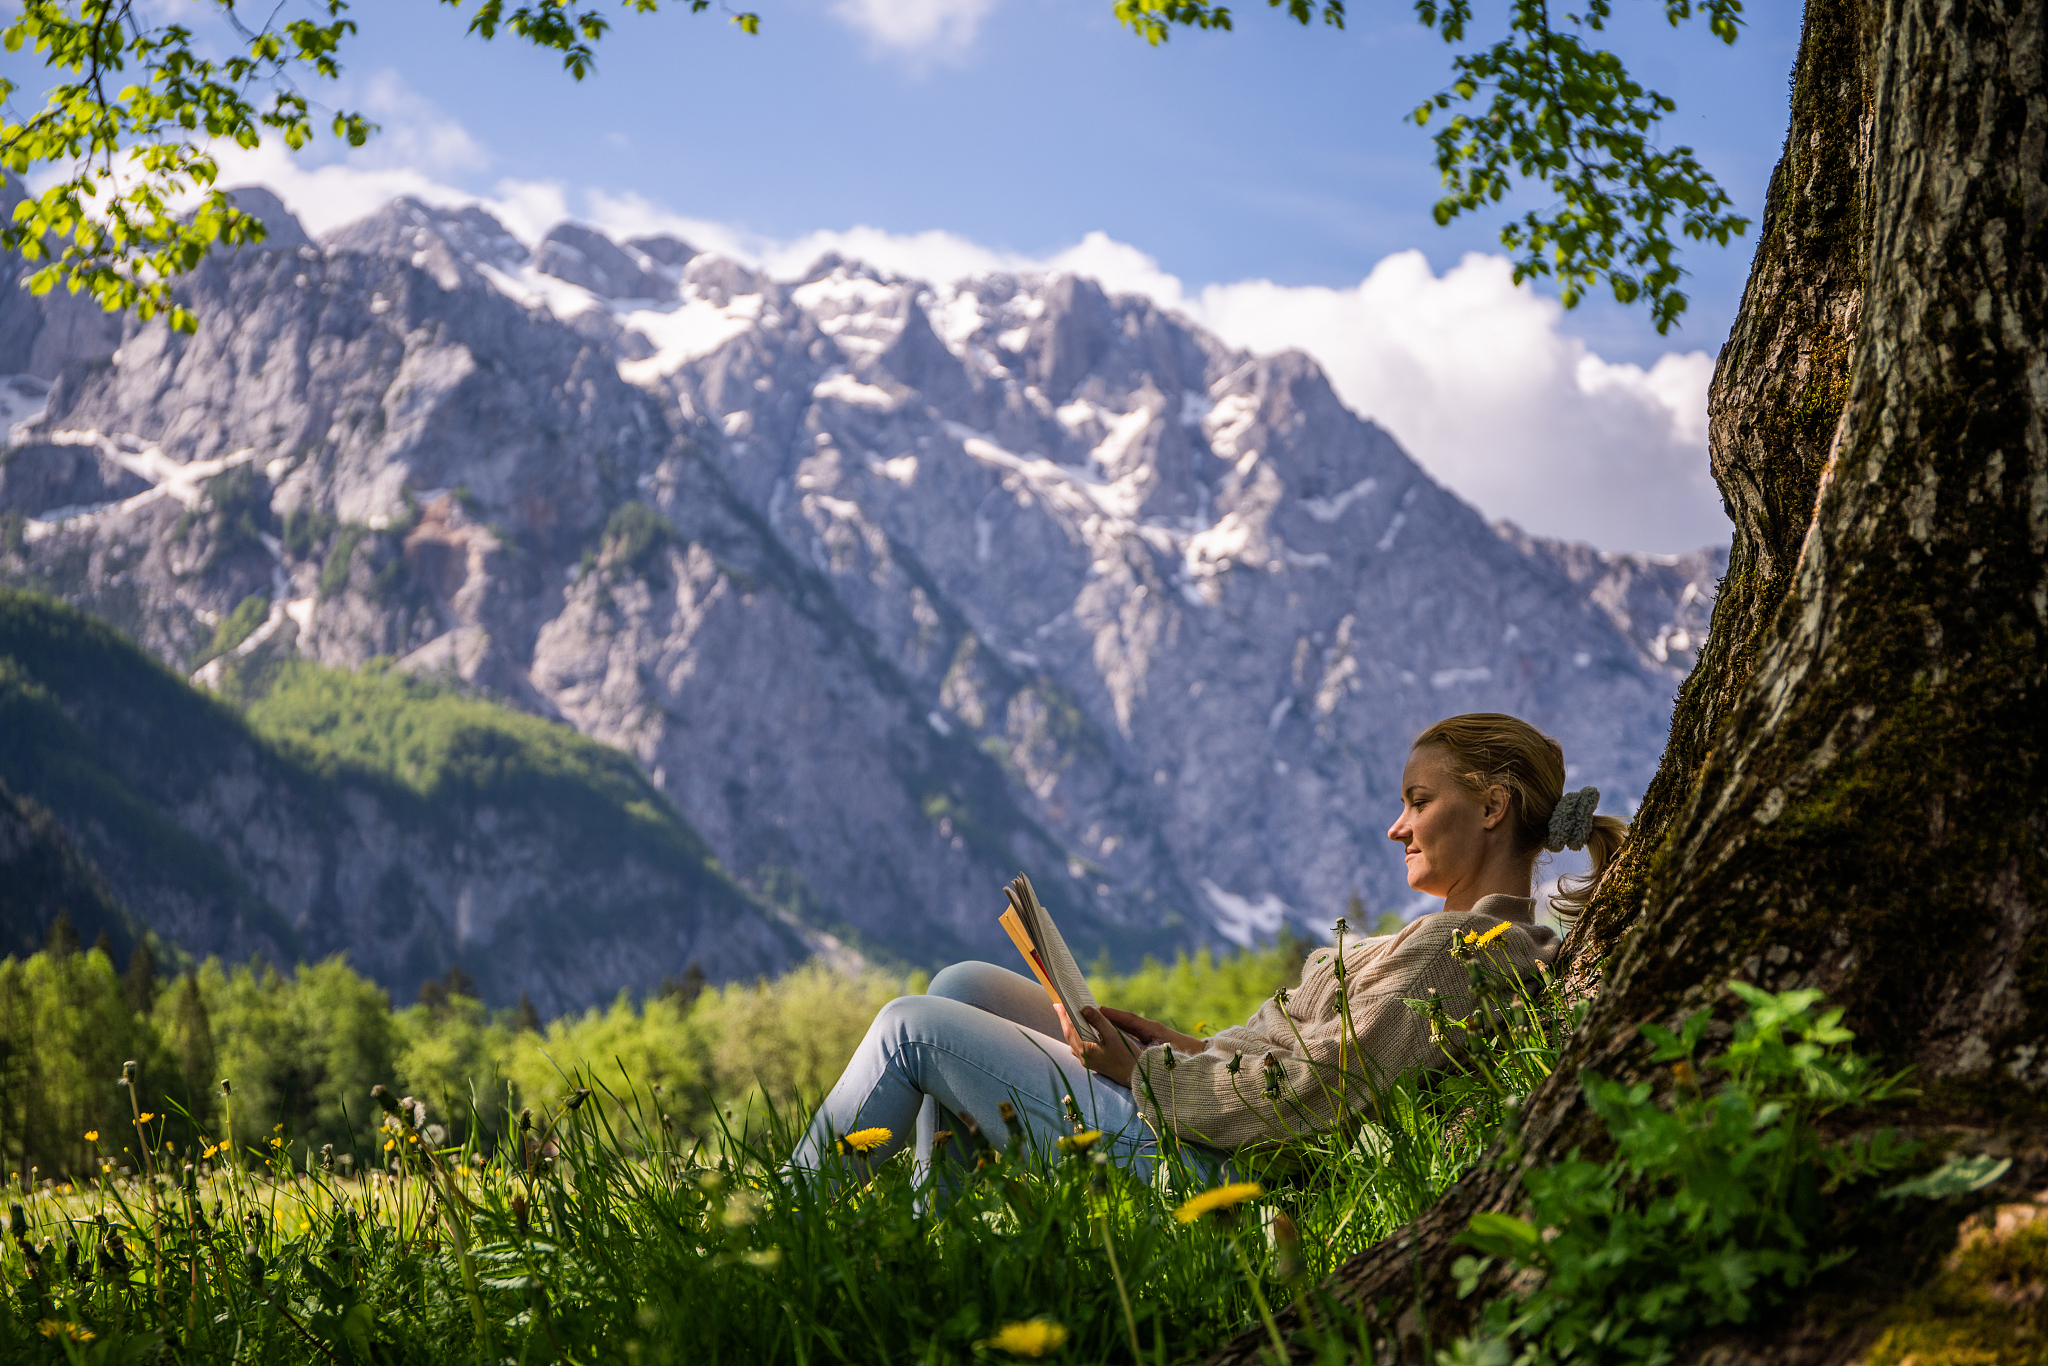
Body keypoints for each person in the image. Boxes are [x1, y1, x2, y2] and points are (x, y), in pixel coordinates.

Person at [786, 712, 1624, 1183]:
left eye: (1418, 800)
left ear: (1491, 808)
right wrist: (1169, 1041)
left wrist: (1137, 1071)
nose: (1396, 825)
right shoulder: (1452, 940)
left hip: (1217, 1173)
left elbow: (1316, 1100)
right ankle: (943, 1242)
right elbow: (1320, 1063)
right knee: (963, 983)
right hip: (1201, 1117)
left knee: (913, 1027)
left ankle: (792, 1230)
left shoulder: (1461, 951)